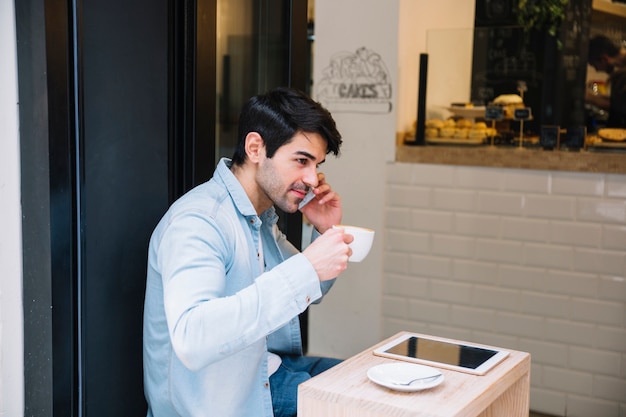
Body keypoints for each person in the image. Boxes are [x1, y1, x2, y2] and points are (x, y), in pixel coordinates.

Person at [143, 87, 352, 417]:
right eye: (301, 160)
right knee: (365, 406)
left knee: (365, 383)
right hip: (221, 399)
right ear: (256, 148)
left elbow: (310, 288)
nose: (313, 179)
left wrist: (325, 233)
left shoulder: (260, 217)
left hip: (266, 369)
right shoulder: (199, 222)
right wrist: (306, 268)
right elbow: (193, 337)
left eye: (317, 164)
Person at [586, 35, 626, 127]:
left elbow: (620, 108)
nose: (596, 70)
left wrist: (589, 97)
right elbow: (618, 101)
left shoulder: (622, 74)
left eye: (594, 65)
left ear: (604, 59)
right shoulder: (620, 70)